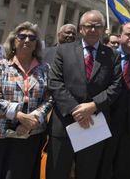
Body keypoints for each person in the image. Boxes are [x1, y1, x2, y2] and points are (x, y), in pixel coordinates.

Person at [46, 10, 122, 179]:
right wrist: (76, 109)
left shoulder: (112, 56)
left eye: (98, 26)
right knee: (56, 171)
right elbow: (55, 82)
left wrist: (93, 106)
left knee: (87, 172)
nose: (93, 29)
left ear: (103, 30)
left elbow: (116, 87)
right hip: (65, 123)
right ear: (81, 28)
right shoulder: (63, 51)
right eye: (89, 26)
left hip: (94, 124)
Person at [0, 22, 52, 179]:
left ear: (36, 44)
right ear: (13, 41)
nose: (27, 40)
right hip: (2, 134)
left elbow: (49, 98)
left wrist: (33, 119)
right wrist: (19, 116)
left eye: (32, 37)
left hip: (30, 136)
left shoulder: (45, 69)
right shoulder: (1, 66)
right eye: (22, 36)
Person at [99, 22, 130, 179]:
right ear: (120, 36)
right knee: (103, 167)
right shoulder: (107, 57)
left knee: (125, 168)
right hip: (107, 121)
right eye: (128, 34)